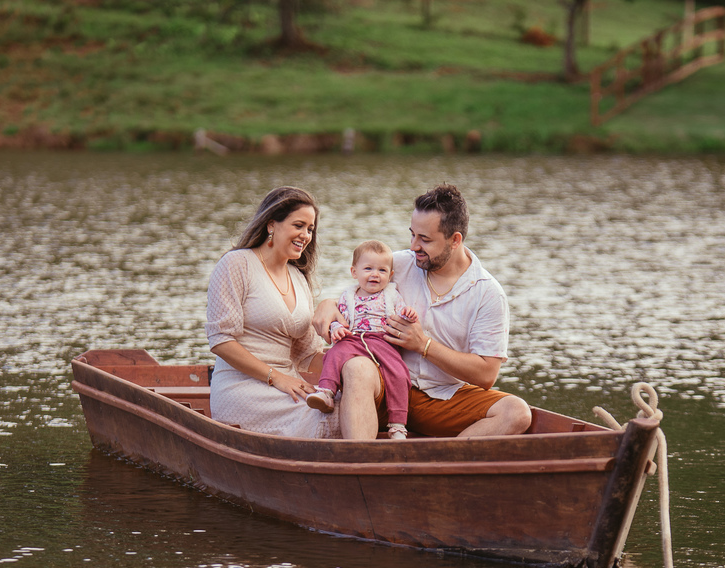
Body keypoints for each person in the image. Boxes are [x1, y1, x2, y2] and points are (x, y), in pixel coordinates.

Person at [312, 184, 532, 439]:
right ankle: (364, 468)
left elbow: (486, 375)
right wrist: (327, 303)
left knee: (517, 412)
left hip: (443, 397)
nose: (414, 246)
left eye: (425, 239)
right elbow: (352, 295)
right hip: (383, 388)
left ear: (455, 240)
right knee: (358, 367)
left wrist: (423, 345)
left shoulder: (488, 294)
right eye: (413, 235)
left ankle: (440, 465)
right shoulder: (400, 264)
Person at [205, 186, 340, 438]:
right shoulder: (237, 264)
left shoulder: (298, 278)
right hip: (241, 388)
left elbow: (309, 353)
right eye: (298, 225)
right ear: (271, 225)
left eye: (310, 229)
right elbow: (221, 341)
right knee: (326, 416)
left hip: (288, 386)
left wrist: (353, 361)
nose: (306, 235)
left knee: (350, 401)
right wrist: (276, 378)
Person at [305, 240, 418, 440]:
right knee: (334, 352)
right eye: (368, 268)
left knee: (399, 373)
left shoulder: (391, 294)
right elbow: (339, 319)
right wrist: (337, 329)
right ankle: (326, 391)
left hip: (383, 340)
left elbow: (402, 314)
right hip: (354, 338)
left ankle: (398, 424)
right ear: (354, 272)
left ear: (390, 275)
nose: (375, 274)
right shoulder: (348, 296)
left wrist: (408, 314)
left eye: (382, 270)